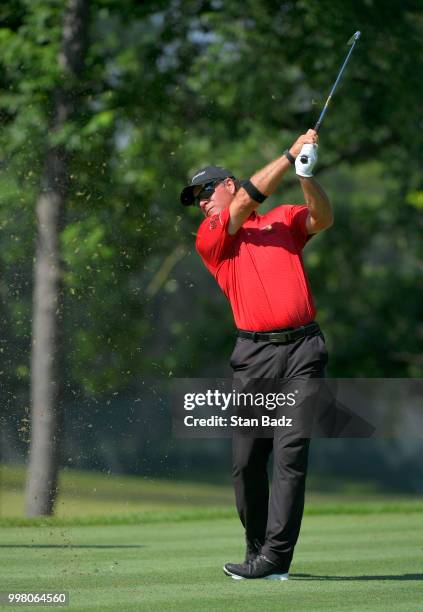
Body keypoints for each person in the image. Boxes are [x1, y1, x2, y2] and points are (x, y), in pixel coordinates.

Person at [180, 130, 333, 580]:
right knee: (247, 461)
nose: (201, 202)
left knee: (290, 455)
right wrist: (289, 154)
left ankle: (274, 560)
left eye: (205, 191)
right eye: (195, 199)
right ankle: (257, 547)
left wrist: (305, 175)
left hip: (304, 349)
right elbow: (245, 203)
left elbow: (321, 219)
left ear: (227, 183)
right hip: (254, 357)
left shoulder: (283, 219)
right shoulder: (212, 236)